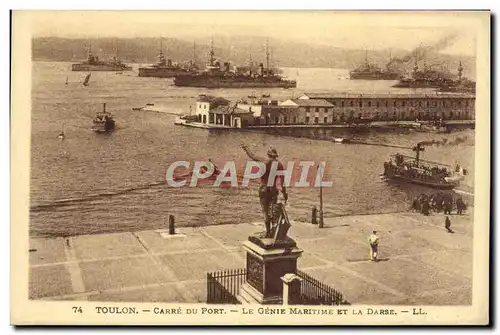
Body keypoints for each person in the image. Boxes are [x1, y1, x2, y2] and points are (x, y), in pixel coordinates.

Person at [241, 144, 288, 238]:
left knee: (265, 211)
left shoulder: (264, 161)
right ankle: (272, 231)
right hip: (273, 190)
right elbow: (282, 181)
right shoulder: (279, 165)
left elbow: (252, 156)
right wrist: (284, 193)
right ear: (275, 155)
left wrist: (246, 148)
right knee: (272, 210)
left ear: (268, 154)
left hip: (263, 188)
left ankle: (267, 232)